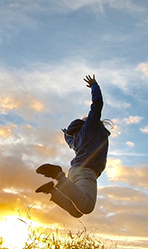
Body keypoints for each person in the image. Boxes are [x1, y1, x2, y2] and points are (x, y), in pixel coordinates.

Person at [35, 74, 111, 218]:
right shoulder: (90, 127)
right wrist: (95, 85)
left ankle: (53, 191)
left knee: (77, 211)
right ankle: (58, 175)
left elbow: (68, 137)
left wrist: (66, 132)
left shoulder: (75, 140)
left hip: (76, 171)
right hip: (86, 171)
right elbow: (97, 103)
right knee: (86, 206)